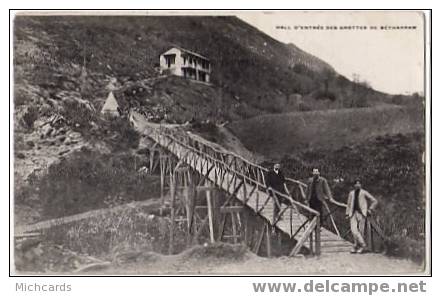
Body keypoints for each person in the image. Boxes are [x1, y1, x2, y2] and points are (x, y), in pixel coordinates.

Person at [345, 179, 378, 254]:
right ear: (354, 185)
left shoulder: (364, 192)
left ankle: (357, 247)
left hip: (361, 214)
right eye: (356, 184)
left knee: (361, 231)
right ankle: (363, 245)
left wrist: (370, 209)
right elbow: (349, 204)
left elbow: (374, 201)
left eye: (359, 184)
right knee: (353, 230)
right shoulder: (351, 193)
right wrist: (347, 213)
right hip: (352, 213)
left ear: (361, 185)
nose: (357, 185)